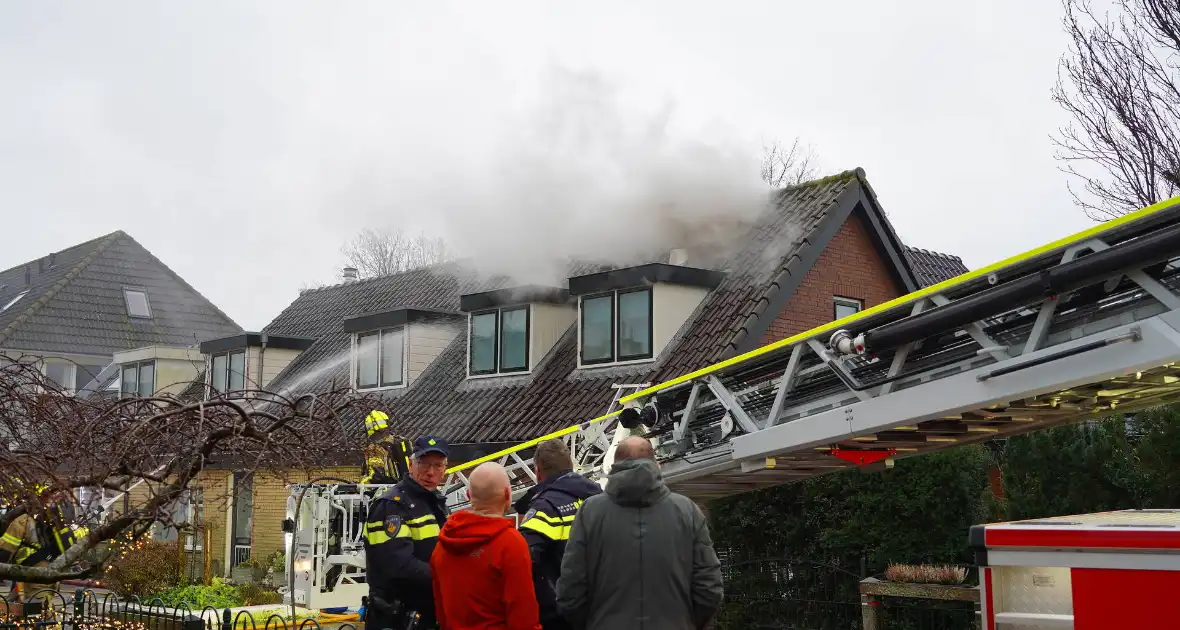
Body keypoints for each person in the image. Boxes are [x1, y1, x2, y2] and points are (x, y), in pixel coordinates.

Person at [556, 436, 724, 630]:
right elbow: (709, 587)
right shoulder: (687, 511)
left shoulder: (589, 513)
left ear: (614, 466)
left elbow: (571, 588)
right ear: (656, 464)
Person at [430, 462, 541, 630]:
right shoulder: (510, 543)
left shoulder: (443, 543)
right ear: (507, 494)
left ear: (468, 494)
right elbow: (523, 615)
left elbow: (440, 610)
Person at [364, 435, 452, 630]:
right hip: (396, 618)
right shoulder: (391, 506)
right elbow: (398, 566)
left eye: (437, 466)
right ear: (411, 465)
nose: (430, 472)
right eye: (423, 464)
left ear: (445, 470)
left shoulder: (435, 502)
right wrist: (448, 577)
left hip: (427, 614)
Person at [512, 439, 601, 630]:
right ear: (570, 465)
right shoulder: (600, 498)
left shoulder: (544, 509)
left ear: (537, 471)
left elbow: (523, 560)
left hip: (562, 615)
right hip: (603, 606)